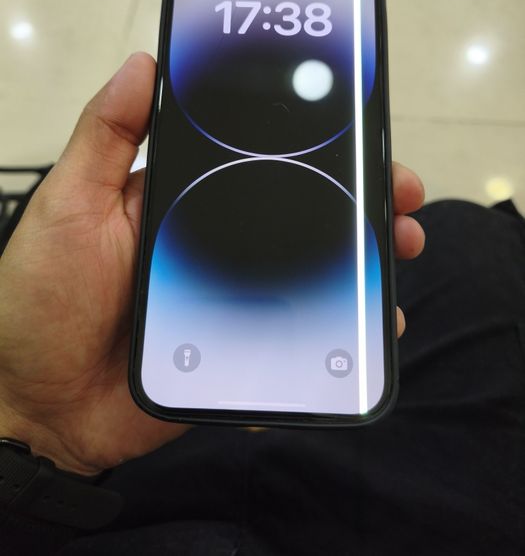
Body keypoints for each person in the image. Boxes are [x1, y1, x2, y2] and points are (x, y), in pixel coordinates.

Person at [0, 54, 522, 555]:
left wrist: (34, 427)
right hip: (384, 508)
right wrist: (39, 431)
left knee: (460, 238)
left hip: (116, 493)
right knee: (470, 235)